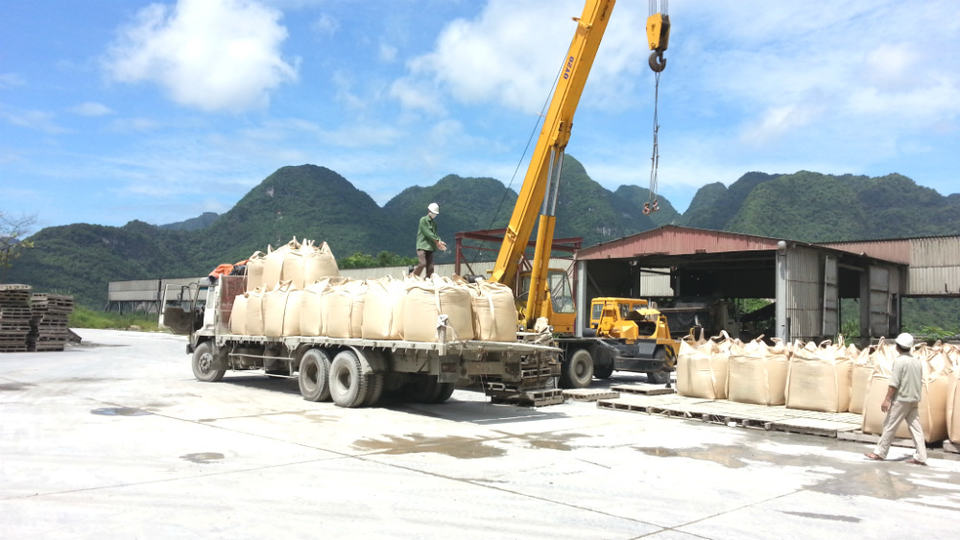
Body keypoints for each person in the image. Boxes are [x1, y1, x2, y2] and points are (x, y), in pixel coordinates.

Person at [864, 332, 926, 465]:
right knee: (916, 429)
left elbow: (894, 383)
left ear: (898, 346)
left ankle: (880, 452)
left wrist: (887, 399)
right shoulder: (917, 362)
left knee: (889, 425)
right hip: (914, 399)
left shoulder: (899, 361)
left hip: (901, 399)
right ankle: (921, 456)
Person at [409, 202, 447, 277]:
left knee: (431, 268)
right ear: (429, 211)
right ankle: (413, 276)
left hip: (430, 247)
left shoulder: (434, 224)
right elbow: (428, 233)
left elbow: (435, 234)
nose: (434, 215)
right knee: (422, 263)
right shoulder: (423, 220)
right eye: (433, 213)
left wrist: (440, 241)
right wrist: (437, 242)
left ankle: (428, 280)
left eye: (435, 213)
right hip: (422, 246)